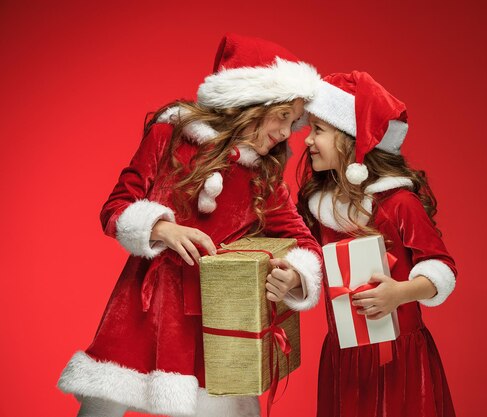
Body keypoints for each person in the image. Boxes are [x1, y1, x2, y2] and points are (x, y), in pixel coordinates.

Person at [58, 34, 323, 417]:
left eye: (294, 121)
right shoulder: (169, 137)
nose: (287, 132)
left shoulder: (264, 178)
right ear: (248, 104)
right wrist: (161, 228)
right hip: (138, 310)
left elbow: (305, 242)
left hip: (212, 323)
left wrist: (297, 276)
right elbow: (115, 209)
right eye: (283, 116)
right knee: (102, 404)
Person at [297, 71, 457, 417]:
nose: (308, 141)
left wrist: (399, 293)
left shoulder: (398, 203)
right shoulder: (321, 209)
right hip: (345, 356)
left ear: (353, 141)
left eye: (319, 130)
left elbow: (441, 268)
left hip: (399, 357)